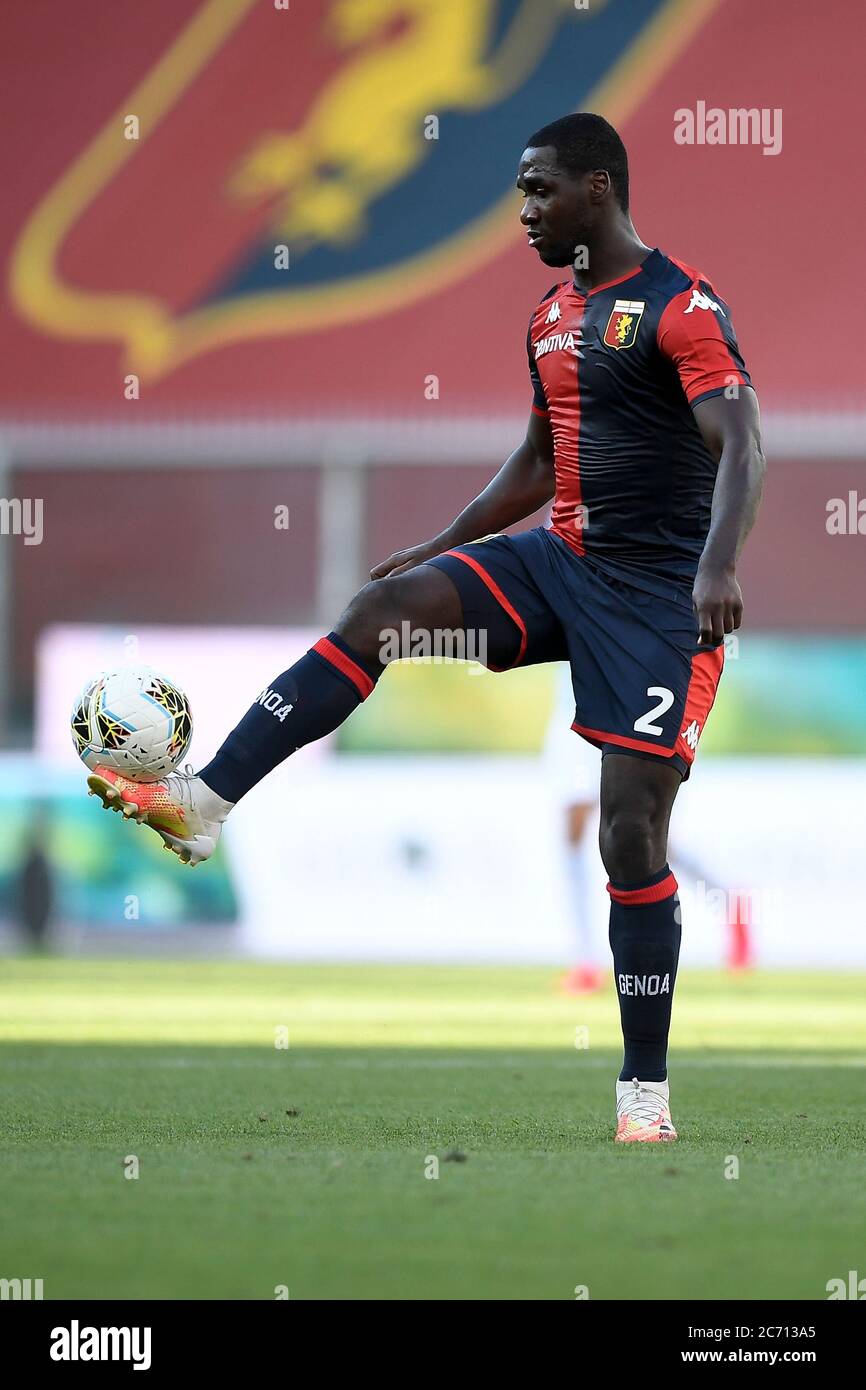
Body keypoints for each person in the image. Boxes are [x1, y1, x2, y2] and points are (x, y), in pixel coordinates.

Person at [87, 113, 765, 1143]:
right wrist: (441, 540)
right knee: (382, 615)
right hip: (562, 568)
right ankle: (204, 800)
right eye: (520, 193)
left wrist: (717, 564)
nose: (525, 211)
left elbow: (743, 442)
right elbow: (539, 463)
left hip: (659, 604)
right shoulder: (548, 317)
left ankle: (642, 1094)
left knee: (628, 832)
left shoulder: (679, 307)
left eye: (539, 190)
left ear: (596, 188)